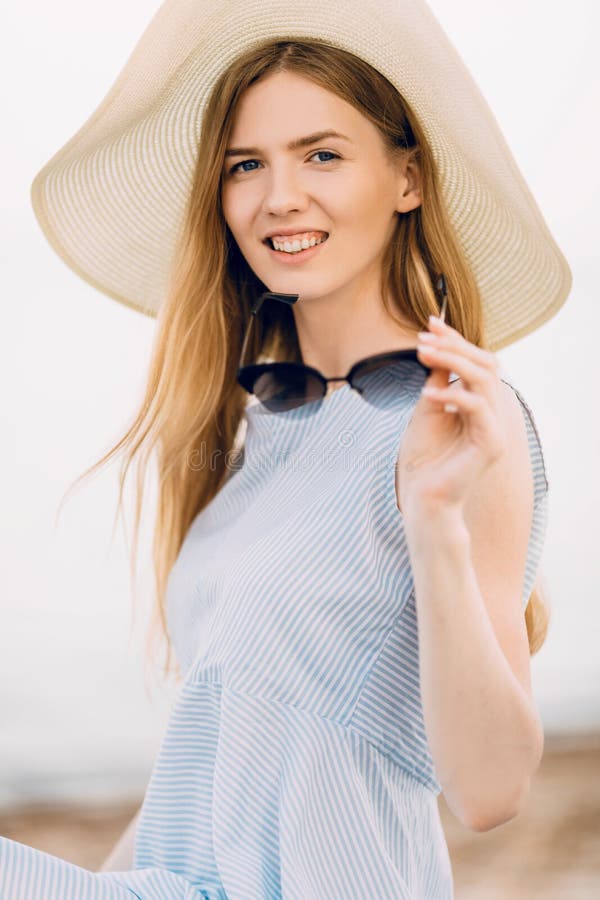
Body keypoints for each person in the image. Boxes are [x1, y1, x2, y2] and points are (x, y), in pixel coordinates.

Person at [1, 0, 571, 897]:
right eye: (246, 165)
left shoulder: (464, 426)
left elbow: (493, 789)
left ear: (408, 178)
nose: (280, 196)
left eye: (322, 154)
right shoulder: (253, 438)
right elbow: (206, 775)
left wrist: (435, 525)